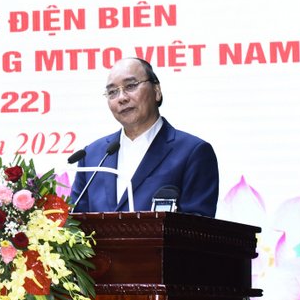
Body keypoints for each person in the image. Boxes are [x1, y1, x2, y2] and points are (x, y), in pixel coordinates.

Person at [72, 57, 219, 216]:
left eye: (131, 86)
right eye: (112, 92)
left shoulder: (193, 152)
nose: (122, 98)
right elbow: (75, 222)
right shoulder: (92, 156)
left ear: (157, 91)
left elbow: (198, 225)